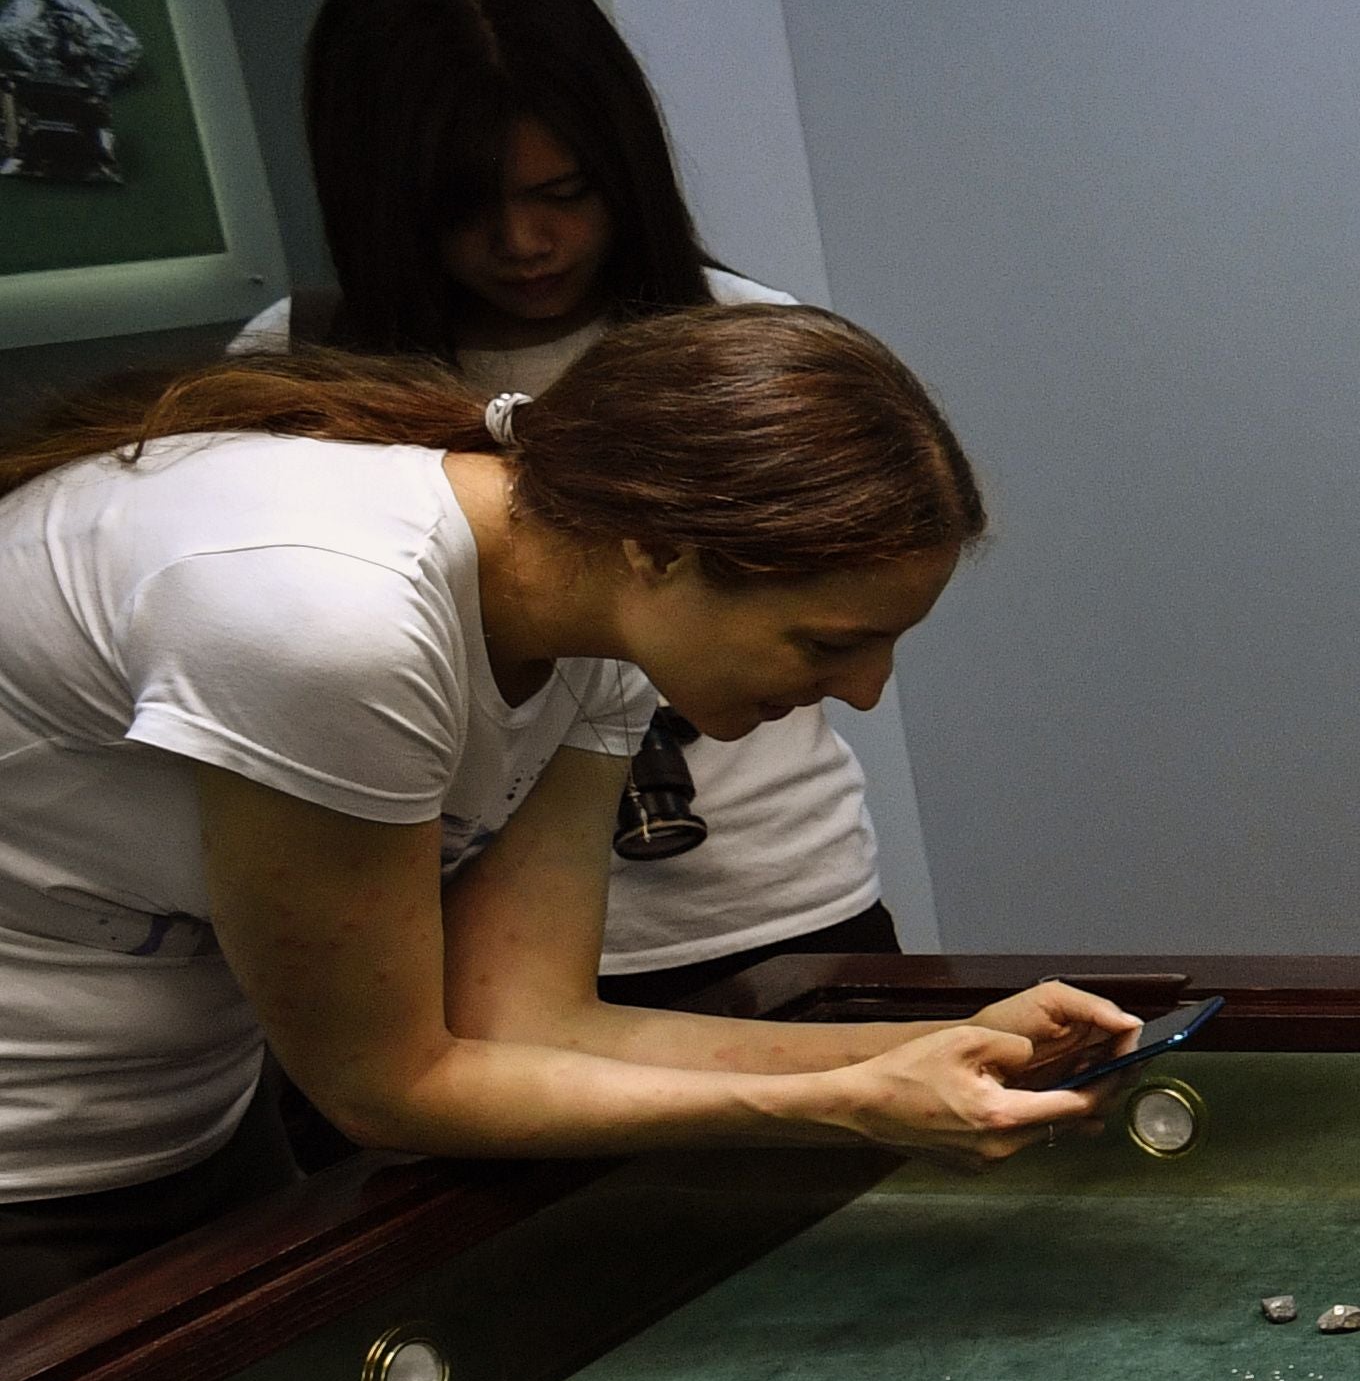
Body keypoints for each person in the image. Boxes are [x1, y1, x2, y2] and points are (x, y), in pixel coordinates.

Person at [0, 314, 1131, 1315]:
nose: (869, 692)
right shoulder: (330, 622)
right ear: (659, 549)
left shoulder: (598, 610)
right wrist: (844, 1106)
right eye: (831, 641)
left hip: (187, 1113)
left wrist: (941, 1046)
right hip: (33, 1164)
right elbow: (387, 1090)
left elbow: (524, 1022)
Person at [233, 0, 895, 1010]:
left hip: (777, 909)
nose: (525, 241)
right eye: (465, 209)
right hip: (451, 945)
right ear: (381, 200)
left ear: (623, 165)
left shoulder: (747, 348)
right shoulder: (299, 368)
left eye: (566, 190)